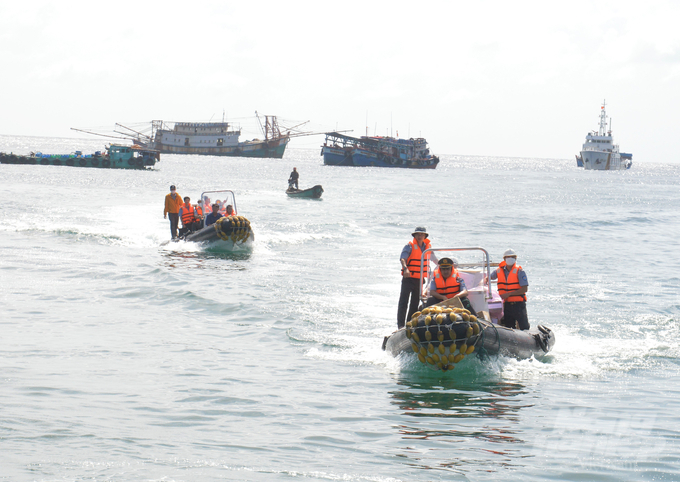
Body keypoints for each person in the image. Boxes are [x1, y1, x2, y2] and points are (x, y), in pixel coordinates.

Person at [397, 227, 434, 329]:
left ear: (425, 236)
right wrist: (405, 268)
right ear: (414, 236)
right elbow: (403, 258)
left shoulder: (428, 247)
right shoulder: (409, 246)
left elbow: (434, 259)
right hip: (408, 278)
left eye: (422, 234)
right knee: (403, 302)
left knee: (415, 303)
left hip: (419, 279)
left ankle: (409, 324)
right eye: (418, 234)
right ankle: (400, 325)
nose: (420, 236)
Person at [489, 248, 529, 330]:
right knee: (509, 326)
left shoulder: (520, 271)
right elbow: (489, 277)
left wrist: (509, 294)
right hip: (506, 305)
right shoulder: (498, 271)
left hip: (518, 304)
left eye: (512, 257)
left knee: (524, 326)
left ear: (515, 258)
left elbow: (524, 289)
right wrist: (484, 280)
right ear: (504, 259)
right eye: (508, 257)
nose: (510, 259)